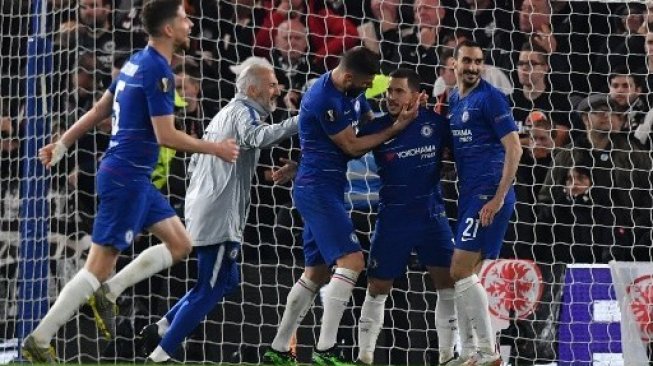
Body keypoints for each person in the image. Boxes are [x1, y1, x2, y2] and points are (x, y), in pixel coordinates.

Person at [21, 0, 239, 362]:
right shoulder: (158, 72)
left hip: (133, 177)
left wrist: (63, 143)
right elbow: (166, 135)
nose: (190, 25)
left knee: (180, 243)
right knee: (97, 267)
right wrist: (214, 147)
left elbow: (99, 109)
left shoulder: (136, 61)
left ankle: (111, 291)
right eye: (184, 19)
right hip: (125, 178)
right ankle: (40, 340)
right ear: (168, 29)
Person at [263, 46, 420, 366]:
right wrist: (396, 128)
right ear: (348, 76)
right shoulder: (323, 97)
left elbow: (366, 122)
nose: (367, 89)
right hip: (317, 190)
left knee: (315, 273)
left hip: (328, 187)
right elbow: (351, 145)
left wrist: (396, 115)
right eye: (364, 84)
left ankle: (278, 350)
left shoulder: (351, 90)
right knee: (353, 262)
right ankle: (325, 349)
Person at [138, 63, 299, 362]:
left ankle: (161, 327)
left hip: (205, 207)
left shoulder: (224, 114)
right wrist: (302, 119)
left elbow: (197, 164)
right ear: (253, 89)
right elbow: (258, 138)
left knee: (227, 280)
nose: (277, 90)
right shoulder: (243, 113)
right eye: (273, 84)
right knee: (209, 288)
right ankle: (160, 355)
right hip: (218, 214)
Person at [353, 69, 457, 366]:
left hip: (431, 217)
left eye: (398, 91)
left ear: (416, 95)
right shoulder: (378, 127)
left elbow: (459, 155)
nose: (391, 97)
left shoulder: (437, 125)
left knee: (446, 285)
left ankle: (447, 357)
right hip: (393, 219)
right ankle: (365, 357)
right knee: (377, 288)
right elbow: (343, 152)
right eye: (389, 92)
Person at [446, 40, 521, 366]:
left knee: (459, 270)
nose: (473, 67)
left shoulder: (491, 99)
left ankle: (488, 354)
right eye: (467, 61)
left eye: (478, 62)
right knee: (467, 278)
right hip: (468, 194)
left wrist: (498, 197)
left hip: (487, 194)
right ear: (455, 63)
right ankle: (469, 355)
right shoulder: (453, 99)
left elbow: (514, 148)